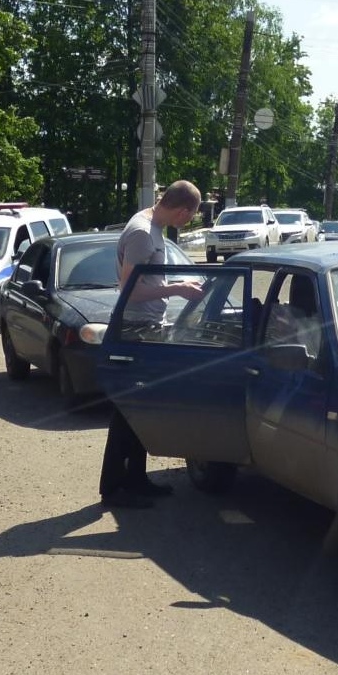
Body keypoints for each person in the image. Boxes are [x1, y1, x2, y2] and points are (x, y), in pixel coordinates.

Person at [99, 180, 204, 509]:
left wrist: (175, 284)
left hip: (146, 327)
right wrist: (176, 289)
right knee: (129, 409)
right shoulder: (144, 233)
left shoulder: (150, 225)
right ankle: (114, 487)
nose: (188, 223)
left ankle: (135, 479)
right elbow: (129, 289)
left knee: (139, 408)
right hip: (136, 329)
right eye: (190, 217)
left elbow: (146, 281)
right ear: (182, 210)